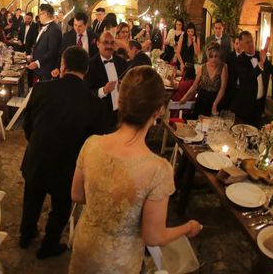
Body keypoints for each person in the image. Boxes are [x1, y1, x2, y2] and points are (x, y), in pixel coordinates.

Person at [69, 67, 202, 273]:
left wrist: (104, 204)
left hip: (85, 246)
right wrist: (189, 227)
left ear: (120, 102)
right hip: (118, 261)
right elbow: (153, 236)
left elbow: (76, 195)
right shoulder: (159, 170)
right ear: (158, 111)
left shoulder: (92, 143)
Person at [20, 47, 111, 259]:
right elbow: (94, 143)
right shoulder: (95, 105)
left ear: (63, 65)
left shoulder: (42, 89)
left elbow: (28, 123)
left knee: (31, 198)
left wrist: (35, 143)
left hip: (38, 156)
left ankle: (25, 235)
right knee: (60, 208)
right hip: (68, 166)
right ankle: (49, 245)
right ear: (86, 70)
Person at [229, 31, 273, 127]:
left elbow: (272, 70)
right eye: (247, 42)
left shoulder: (259, 55)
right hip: (245, 108)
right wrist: (261, 63)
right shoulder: (239, 60)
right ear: (241, 45)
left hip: (259, 106)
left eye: (251, 41)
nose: (251, 44)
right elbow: (248, 78)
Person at [86, 31, 127, 128]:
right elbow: (86, 92)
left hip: (121, 113)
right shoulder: (90, 65)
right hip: (102, 116)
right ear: (98, 44)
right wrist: (104, 90)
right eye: (105, 43)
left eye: (112, 43)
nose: (109, 46)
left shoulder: (121, 62)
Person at [180, 42, 228, 117]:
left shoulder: (223, 67)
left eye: (216, 56)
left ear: (219, 55)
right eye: (211, 56)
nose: (213, 59)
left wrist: (215, 104)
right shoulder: (203, 67)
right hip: (201, 101)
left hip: (216, 100)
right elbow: (194, 86)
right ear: (207, 56)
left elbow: (222, 88)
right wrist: (185, 98)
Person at [54, 13, 98, 79]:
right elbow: (61, 53)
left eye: (80, 26)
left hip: (89, 73)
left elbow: (96, 54)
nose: (77, 28)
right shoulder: (67, 36)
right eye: (75, 25)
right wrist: (57, 68)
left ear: (86, 25)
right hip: (71, 73)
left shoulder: (94, 36)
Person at [28, 4, 62, 81]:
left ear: (45, 14)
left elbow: (52, 52)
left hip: (46, 70)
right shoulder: (47, 27)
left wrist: (37, 63)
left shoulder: (54, 29)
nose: (39, 16)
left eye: (40, 14)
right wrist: (32, 56)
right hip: (41, 70)